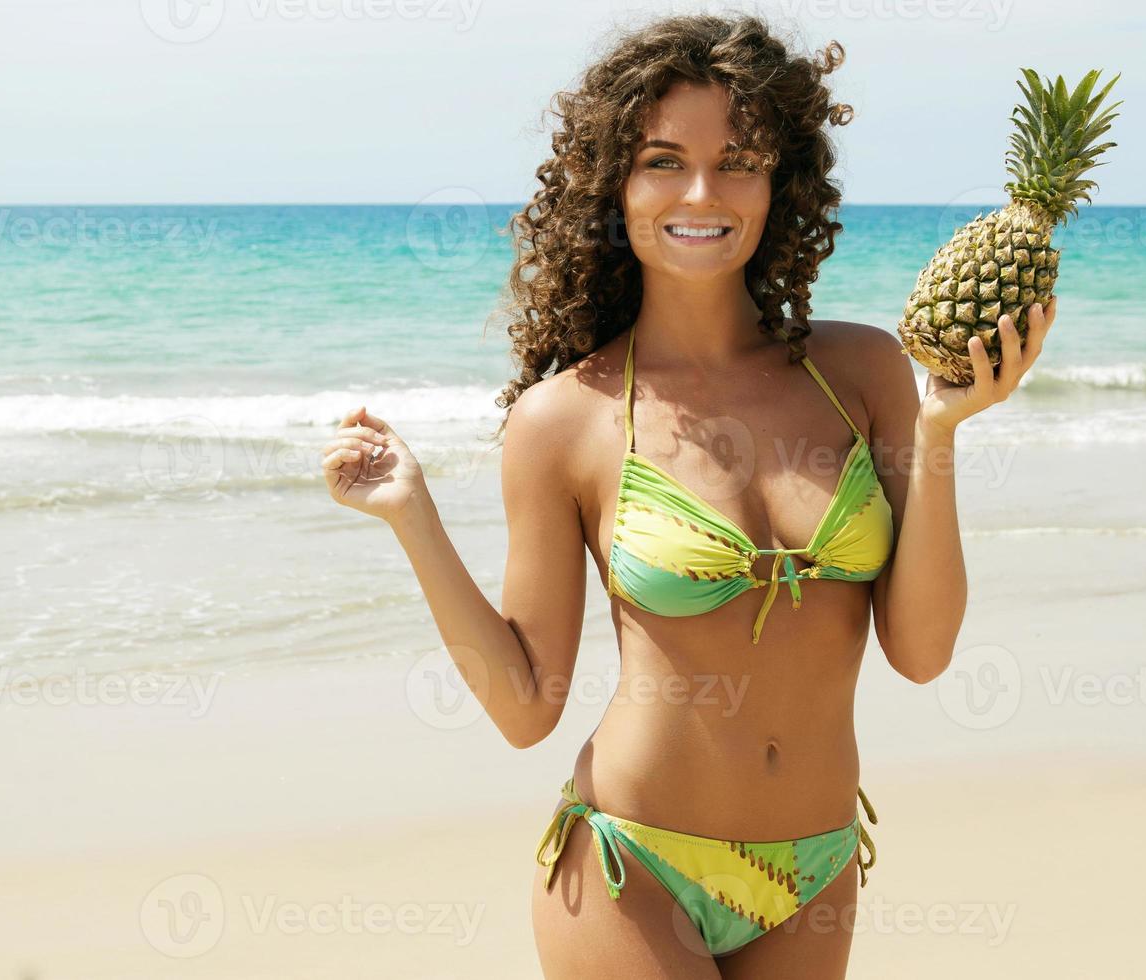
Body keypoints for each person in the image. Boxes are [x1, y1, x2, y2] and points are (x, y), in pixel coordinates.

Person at [322, 13, 1054, 979]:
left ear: (778, 182)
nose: (702, 193)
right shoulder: (562, 420)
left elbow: (920, 653)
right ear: (613, 187)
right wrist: (412, 515)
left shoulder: (864, 371)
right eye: (664, 160)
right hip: (633, 865)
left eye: (739, 160)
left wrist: (939, 430)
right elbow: (525, 707)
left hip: (818, 867)